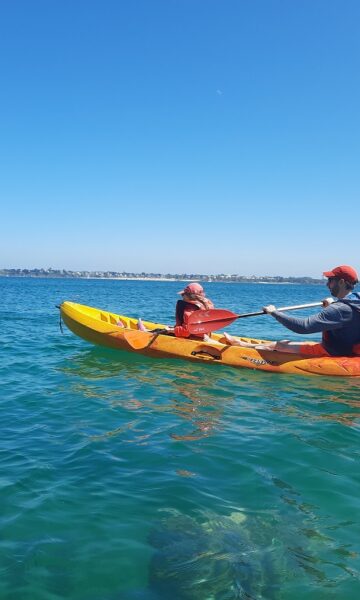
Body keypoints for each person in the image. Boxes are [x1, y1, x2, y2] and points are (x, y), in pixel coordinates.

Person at [224, 265, 360, 357]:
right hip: (346, 349)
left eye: (331, 280)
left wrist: (274, 312)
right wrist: (331, 306)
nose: (327, 284)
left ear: (341, 282)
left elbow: (303, 327)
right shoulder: (354, 302)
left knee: (275, 346)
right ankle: (242, 344)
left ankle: (237, 347)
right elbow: (347, 320)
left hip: (333, 353)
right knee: (283, 343)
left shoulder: (340, 309)